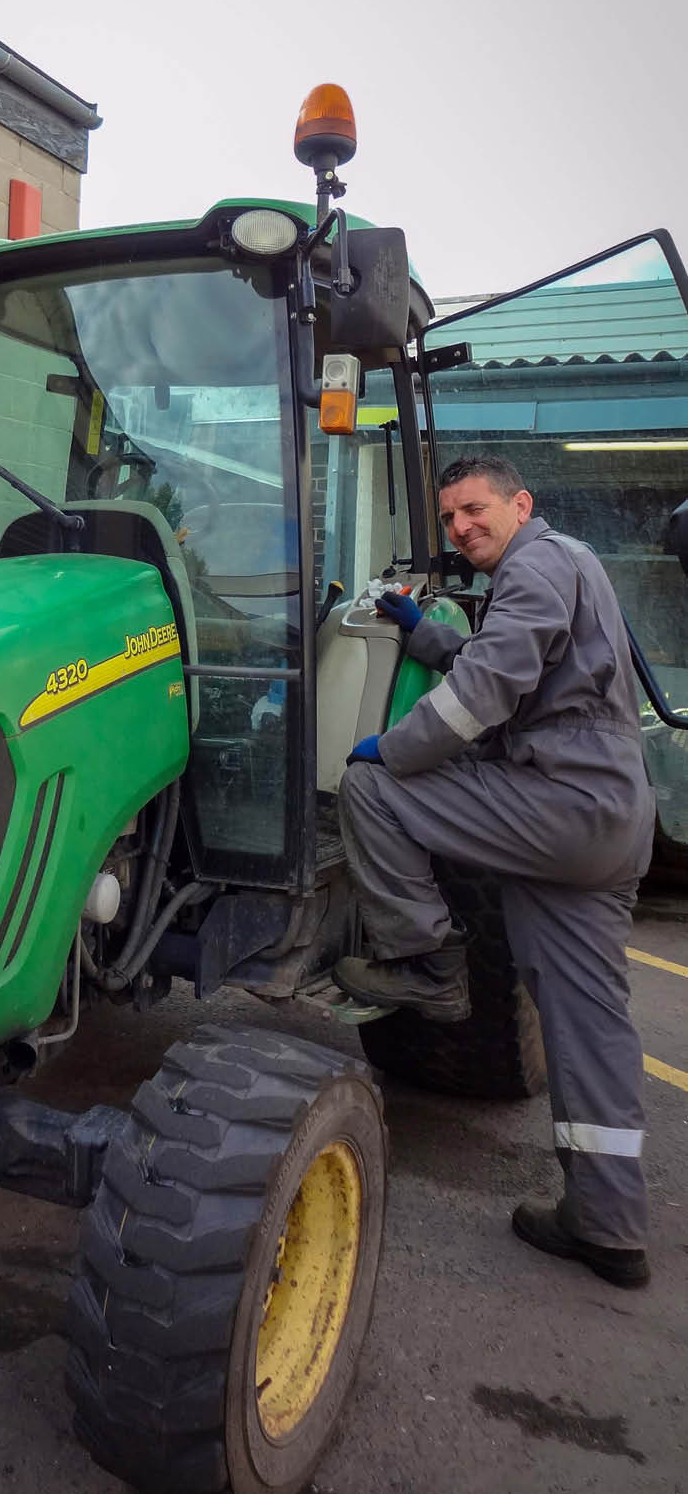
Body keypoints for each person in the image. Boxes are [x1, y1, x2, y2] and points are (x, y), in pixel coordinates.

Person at [333, 454, 654, 1288]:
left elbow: (485, 691)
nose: (460, 527)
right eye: (449, 517)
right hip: (607, 820)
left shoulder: (535, 563)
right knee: (588, 1021)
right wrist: (423, 633)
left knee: (372, 789)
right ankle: (608, 1224)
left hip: (559, 800)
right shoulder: (564, 565)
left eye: (473, 509)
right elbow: (506, 659)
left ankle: (425, 961)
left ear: (520, 505)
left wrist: (392, 748)